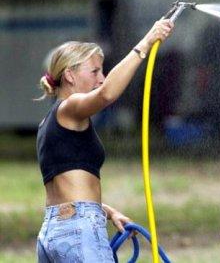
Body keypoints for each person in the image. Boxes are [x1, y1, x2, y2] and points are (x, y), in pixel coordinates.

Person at [35, 19, 174, 262]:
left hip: (53, 231)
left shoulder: (49, 121)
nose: (101, 78)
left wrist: (106, 211)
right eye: (95, 71)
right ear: (69, 75)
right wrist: (146, 42)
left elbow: (66, 189)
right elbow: (107, 93)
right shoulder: (70, 107)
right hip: (79, 231)